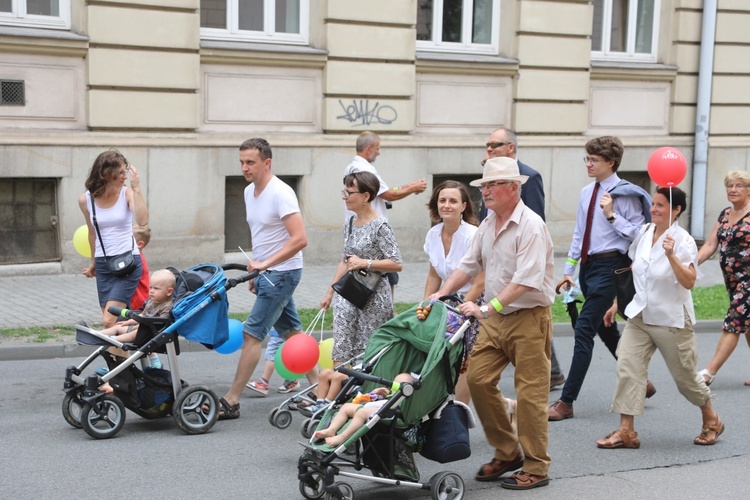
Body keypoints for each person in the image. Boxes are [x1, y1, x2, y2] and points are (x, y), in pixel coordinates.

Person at [430, 157, 555, 490]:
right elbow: (468, 265)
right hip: (497, 316)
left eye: (491, 185)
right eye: (483, 186)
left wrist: (487, 307)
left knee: (530, 396)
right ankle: (507, 450)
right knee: (479, 380)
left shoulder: (531, 225)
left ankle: (537, 466)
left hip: (529, 317)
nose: (484, 191)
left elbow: (528, 281)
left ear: (512, 188)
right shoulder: (488, 223)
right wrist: (441, 293)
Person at [596, 187, 724, 448]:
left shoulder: (684, 241)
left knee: (686, 378)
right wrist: (617, 303)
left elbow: (688, 282)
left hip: (671, 320)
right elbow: (636, 272)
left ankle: (712, 418)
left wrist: (671, 256)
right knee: (628, 368)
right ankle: (626, 431)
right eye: (653, 204)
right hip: (640, 316)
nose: (654, 209)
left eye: (661, 205)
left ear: (676, 210)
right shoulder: (645, 232)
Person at [549, 136, 654, 422]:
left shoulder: (626, 194)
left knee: (584, 330)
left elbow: (639, 234)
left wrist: (611, 216)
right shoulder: (587, 192)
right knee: (606, 328)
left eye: (594, 160)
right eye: (587, 158)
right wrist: (569, 269)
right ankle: (640, 381)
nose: (589, 164)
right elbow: (579, 232)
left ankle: (566, 402)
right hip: (588, 266)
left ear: (611, 162)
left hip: (612, 266)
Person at [219, 138, 317, 420]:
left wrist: (265, 265)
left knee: (252, 334)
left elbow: (300, 239)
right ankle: (322, 391)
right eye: (241, 162)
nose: (244, 168)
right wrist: (256, 269)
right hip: (268, 273)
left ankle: (232, 399)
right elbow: (264, 235)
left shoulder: (281, 193)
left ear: (267, 162)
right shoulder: (250, 192)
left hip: (283, 273)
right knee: (292, 334)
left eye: (250, 162)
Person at [481, 127, 564, 390]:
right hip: (497, 257)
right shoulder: (489, 175)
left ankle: (551, 373)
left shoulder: (530, 176)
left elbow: (535, 220)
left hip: (521, 257)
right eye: (488, 145)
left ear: (511, 147)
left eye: (496, 144)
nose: (490, 148)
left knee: (527, 311)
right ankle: (550, 372)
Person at [321, 171, 403, 366]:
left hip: (373, 296)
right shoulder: (349, 222)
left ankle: (366, 394)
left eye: (349, 192)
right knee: (341, 348)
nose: (344, 196)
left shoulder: (380, 224)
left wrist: (365, 263)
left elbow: (397, 263)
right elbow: (345, 260)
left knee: (371, 353)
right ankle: (339, 395)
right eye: (344, 191)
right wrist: (330, 293)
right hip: (348, 291)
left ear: (366, 196)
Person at [422, 180, 484, 404]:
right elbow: (433, 276)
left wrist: (461, 311)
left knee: (464, 363)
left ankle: (458, 417)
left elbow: (479, 282)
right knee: (440, 360)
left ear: (464, 206)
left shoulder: (472, 235)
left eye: (453, 201)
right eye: (442, 200)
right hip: (445, 302)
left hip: (472, 302)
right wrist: (424, 306)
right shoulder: (433, 234)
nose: (447, 205)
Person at [343, 131, 426, 294]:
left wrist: (406, 186)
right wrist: (413, 188)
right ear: (368, 148)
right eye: (377, 148)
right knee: (384, 276)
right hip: (370, 227)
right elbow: (389, 195)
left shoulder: (354, 166)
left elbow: (386, 190)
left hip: (363, 225)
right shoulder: (363, 169)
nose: (379, 152)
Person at [78, 149, 148, 328]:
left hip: (128, 261)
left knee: (109, 320)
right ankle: (123, 356)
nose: (125, 175)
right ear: (105, 174)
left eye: (125, 170)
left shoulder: (127, 194)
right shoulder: (85, 200)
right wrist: (93, 262)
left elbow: (142, 220)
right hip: (104, 263)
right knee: (116, 323)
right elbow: (92, 233)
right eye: (121, 172)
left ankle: (126, 354)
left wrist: (137, 189)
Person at [696, 170, 750, 386]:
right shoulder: (725, 214)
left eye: (738, 185)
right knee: (746, 324)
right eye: (730, 186)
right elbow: (710, 245)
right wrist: (689, 264)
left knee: (734, 321)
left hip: (749, 280)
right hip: (733, 280)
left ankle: (709, 372)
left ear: (748, 189)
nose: (733, 190)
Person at [99, 269, 175, 368]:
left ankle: (114, 340)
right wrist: (129, 322)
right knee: (118, 326)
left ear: (169, 292)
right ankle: (97, 334)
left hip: (151, 332)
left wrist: (140, 325)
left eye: (156, 288)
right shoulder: (151, 301)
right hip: (141, 327)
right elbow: (142, 315)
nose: (151, 291)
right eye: (150, 287)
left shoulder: (168, 306)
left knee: (132, 334)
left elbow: (161, 323)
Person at [313, 373, 414, 447]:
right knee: (346, 407)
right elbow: (370, 398)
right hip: (371, 407)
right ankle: (332, 430)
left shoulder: (407, 400)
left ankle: (342, 437)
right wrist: (376, 393)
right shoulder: (388, 394)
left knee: (361, 413)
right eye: (395, 384)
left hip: (388, 413)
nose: (397, 387)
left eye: (401, 384)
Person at [245, 329, 300, 395]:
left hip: (280, 330)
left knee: (273, 351)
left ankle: (264, 382)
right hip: (283, 328)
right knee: (289, 351)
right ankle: (292, 379)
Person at [130, 224, 152, 312]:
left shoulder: (135, 260)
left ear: (139, 244)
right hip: (137, 300)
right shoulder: (136, 257)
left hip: (137, 301)